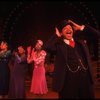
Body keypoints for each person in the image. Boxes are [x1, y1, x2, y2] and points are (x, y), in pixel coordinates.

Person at [44, 19, 100, 99]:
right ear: (61, 33)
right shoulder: (59, 46)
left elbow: (97, 34)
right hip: (68, 83)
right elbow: (47, 47)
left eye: (70, 28)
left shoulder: (80, 42)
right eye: (65, 29)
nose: (68, 29)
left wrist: (80, 27)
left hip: (85, 80)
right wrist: (56, 35)